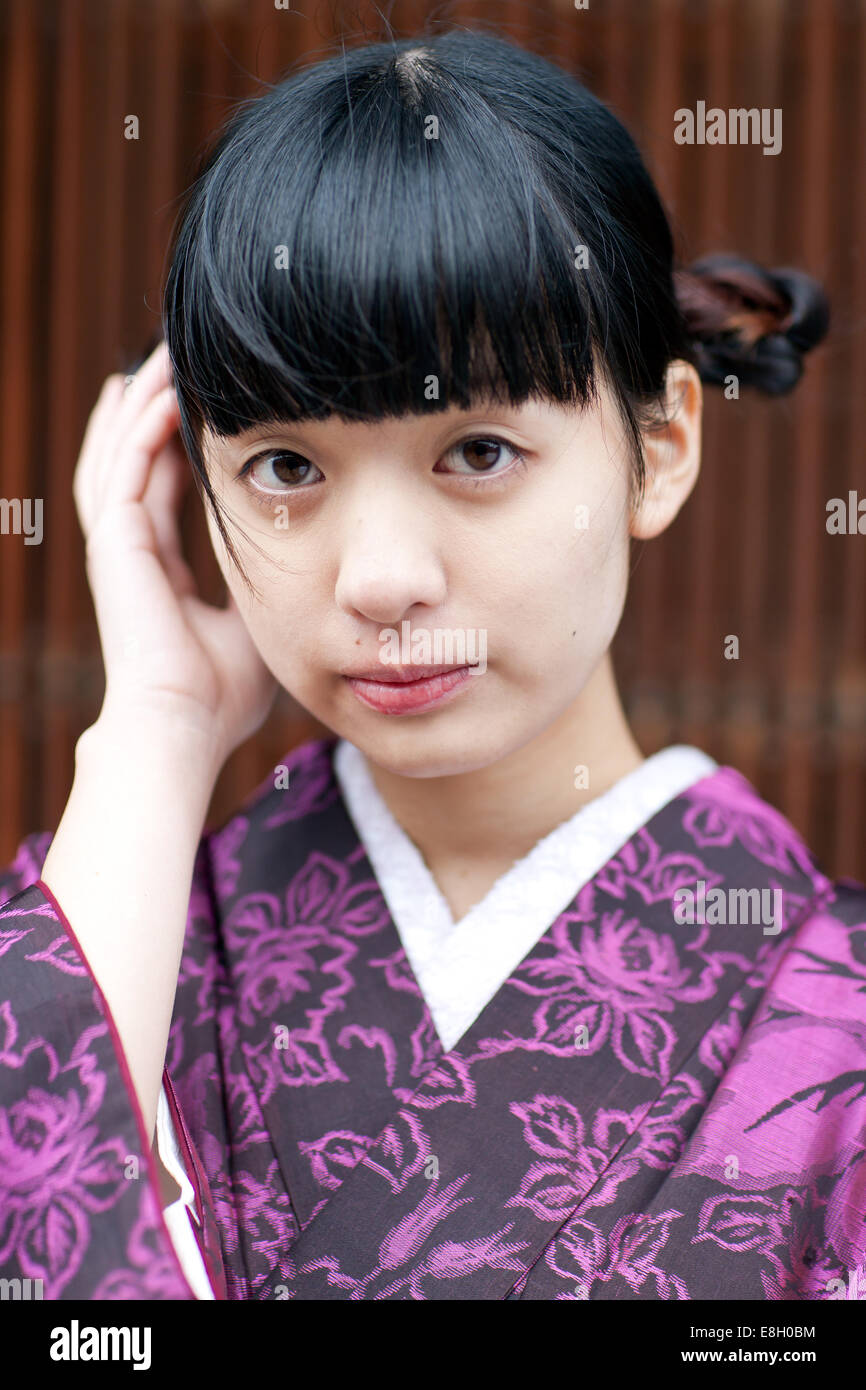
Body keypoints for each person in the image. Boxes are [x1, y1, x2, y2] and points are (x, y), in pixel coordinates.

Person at [1, 28, 863, 1303]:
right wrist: (157, 729)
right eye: (285, 467)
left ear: (663, 445)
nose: (377, 578)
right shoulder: (120, 931)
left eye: (476, 452)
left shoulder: (828, 1011)